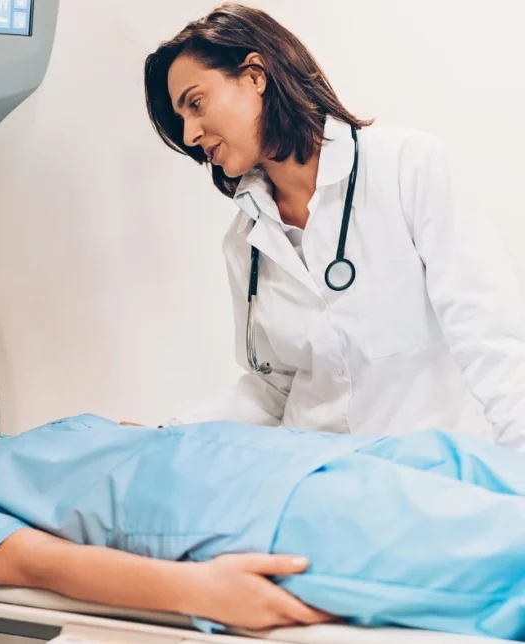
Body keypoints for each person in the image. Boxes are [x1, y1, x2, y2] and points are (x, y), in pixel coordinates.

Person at [0, 375, 525, 640]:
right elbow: (42, 565)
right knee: (504, 551)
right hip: (261, 517)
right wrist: (203, 593)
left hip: (292, 456)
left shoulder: (16, 445)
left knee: (485, 467)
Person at [143, 3, 525, 450]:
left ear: (254, 76)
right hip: (318, 480)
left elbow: (489, 337)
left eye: (196, 103)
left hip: (431, 475)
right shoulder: (244, 241)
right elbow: (274, 388)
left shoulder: (409, 168)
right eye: (182, 118)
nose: (189, 133)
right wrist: (165, 437)